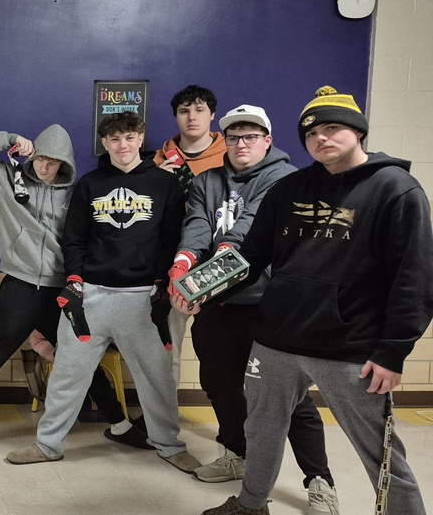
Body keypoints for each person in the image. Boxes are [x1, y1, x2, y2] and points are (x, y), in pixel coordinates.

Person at [201, 87, 433, 515]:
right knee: (262, 430)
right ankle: (252, 504)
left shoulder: (396, 190)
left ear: (358, 132)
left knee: (380, 452)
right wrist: (201, 292)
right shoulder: (289, 188)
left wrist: (393, 353)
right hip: (276, 340)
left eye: (333, 128)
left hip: (351, 349)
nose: (322, 139)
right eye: (312, 133)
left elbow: (414, 279)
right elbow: (251, 258)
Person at [0, 126, 148, 462]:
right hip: (19, 286)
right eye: (41, 158)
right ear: (33, 155)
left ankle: (119, 425)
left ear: (64, 164)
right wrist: (9, 140)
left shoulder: (77, 192)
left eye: (53, 162)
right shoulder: (9, 182)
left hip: (61, 289)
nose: (44, 167)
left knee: (82, 359)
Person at [6, 112, 200, 474]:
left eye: (129, 137)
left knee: (157, 378)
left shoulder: (164, 184)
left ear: (140, 139)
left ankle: (170, 446)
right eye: (114, 139)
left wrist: (160, 283)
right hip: (90, 295)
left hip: (142, 297)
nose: (122, 145)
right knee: (67, 372)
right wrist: (75, 279)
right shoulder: (90, 184)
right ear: (105, 144)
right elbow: (74, 237)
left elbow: (171, 238)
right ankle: (48, 444)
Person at [168, 105, 336, 513]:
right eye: (234, 137)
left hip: (269, 302)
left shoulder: (285, 178)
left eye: (250, 136)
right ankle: (236, 453)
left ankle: (319, 480)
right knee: (220, 383)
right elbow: (197, 226)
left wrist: (223, 256)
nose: (241, 144)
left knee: (288, 395)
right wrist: (184, 263)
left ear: (267, 140)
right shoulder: (207, 180)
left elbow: (249, 227)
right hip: (217, 300)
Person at [153, 85, 227, 390]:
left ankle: (231, 426)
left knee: (221, 353)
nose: (192, 117)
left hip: (221, 262)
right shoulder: (160, 160)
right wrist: (160, 183)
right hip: (174, 263)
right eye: (184, 111)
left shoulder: (231, 156)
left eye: (199, 110)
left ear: (212, 115)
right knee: (166, 347)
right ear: (176, 117)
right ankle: (162, 421)